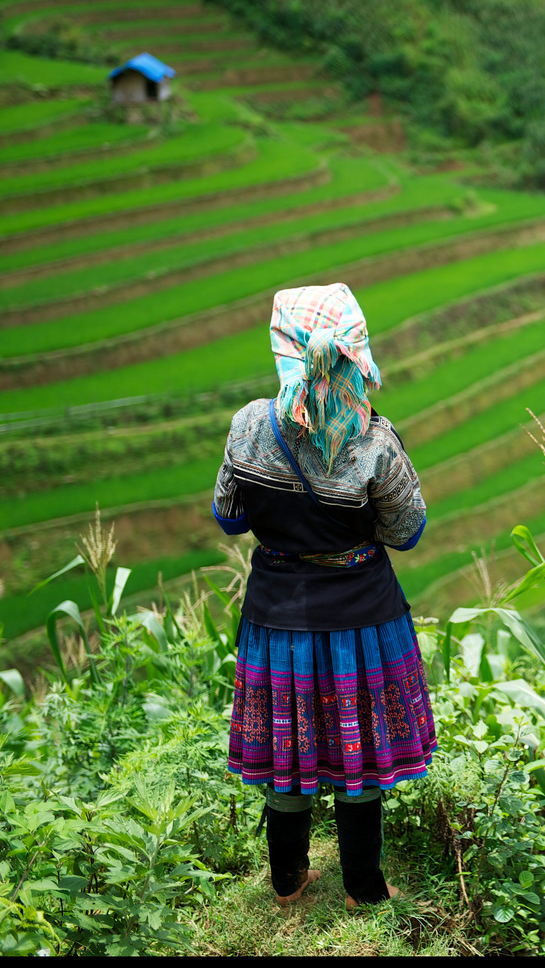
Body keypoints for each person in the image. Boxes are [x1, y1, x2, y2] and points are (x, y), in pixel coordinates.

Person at [212, 283, 435, 908]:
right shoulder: (374, 441)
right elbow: (407, 531)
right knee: (358, 751)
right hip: (363, 618)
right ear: (355, 351)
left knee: (289, 744)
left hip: (278, 619)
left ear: (284, 350)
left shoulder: (250, 427)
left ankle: (287, 881)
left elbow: (229, 516)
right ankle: (364, 886)